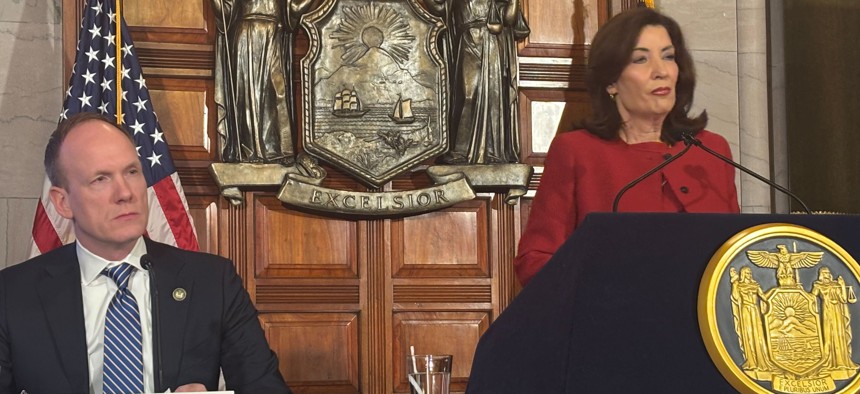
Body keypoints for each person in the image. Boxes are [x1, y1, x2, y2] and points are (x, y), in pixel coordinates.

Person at [0, 113, 291, 393]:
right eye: (100, 179)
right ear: (63, 202)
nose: (125, 193)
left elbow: (265, 387)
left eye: (132, 172)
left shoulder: (212, 281)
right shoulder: (11, 295)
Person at [514, 8, 739, 285]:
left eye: (668, 57)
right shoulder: (577, 151)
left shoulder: (711, 150)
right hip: (612, 318)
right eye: (641, 59)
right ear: (611, 82)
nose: (661, 72)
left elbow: (736, 255)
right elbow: (534, 261)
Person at [212, 0, 314, 165]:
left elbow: (293, 11)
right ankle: (247, 151)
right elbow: (225, 12)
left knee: (275, 92)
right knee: (246, 94)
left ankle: (278, 150)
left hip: (273, 33)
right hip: (246, 36)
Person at [431, 0, 530, 164]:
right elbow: (439, 7)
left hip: (493, 43)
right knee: (467, 95)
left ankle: (492, 151)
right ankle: (460, 150)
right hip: (467, 41)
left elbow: (510, 18)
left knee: (493, 97)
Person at [811, 267, 859, 373]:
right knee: (829, 334)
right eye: (824, 273)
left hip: (837, 311)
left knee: (839, 334)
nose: (827, 275)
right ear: (821, 274)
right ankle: (829, 360)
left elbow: (843, 299)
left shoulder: (835, 285)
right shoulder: (818, 285)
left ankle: (842, 361)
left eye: (828, 273)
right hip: (827, 311)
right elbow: (812, 297)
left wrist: (842, 286)